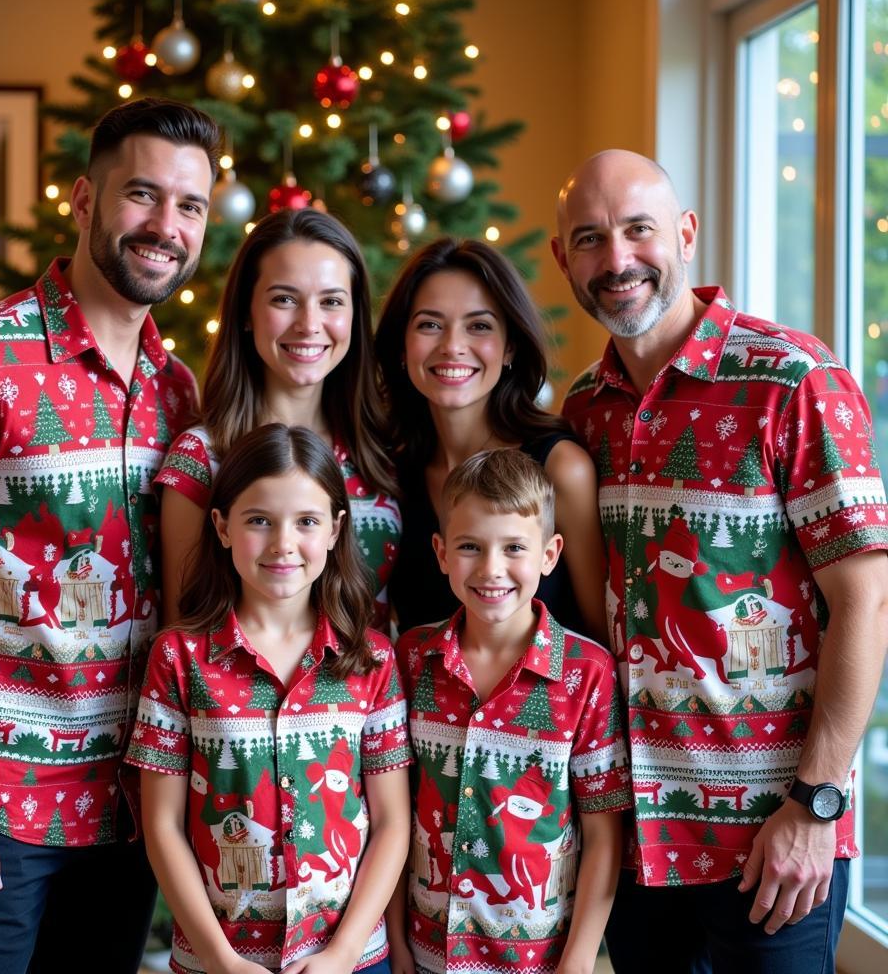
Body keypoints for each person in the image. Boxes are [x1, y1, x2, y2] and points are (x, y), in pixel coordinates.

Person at [0, 97, 219, 973]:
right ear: (83, 199)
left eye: (190, 206)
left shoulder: (180, 393)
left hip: (126, 812)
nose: (165, 226)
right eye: (142, 195)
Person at [553, 148, 888, 972]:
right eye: (590, 239)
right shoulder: (583, 413)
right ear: (563, 258)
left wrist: (816, 805)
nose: (617, 260)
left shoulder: (792, 380)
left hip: (772, 841)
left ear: (686, 234)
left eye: (639, 230)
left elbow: (867, 601)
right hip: (637, 840)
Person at [127, 423, 411, 974]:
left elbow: (392, 822)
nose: (283, 543)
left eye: (306, 521)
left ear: (335, 529)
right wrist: (219, 958)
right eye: (259, 520)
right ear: (222, 527)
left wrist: (343, 952)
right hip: (221, 960)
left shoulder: (371, 661)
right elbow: (162, 826)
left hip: (346, 958)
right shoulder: (179, 659)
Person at [389, 448, 630, 974]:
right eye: (470, 546)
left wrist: (579, 960)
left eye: (514, 548)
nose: (492, 569)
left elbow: (605, 835)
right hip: (426, 950)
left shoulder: (586, 673)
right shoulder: (410, 659)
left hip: (538, 960)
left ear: (549, 554)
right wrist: (394, 941)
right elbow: (389, 813)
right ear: (441, 552)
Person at [157, 208, 400, 631]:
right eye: (284, 299)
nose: (309, 324)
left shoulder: (381, 451)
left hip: (372, 692)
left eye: (331, 302)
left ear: (355, 317)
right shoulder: (201, 458)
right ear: (247, 314)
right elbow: (185, 640)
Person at [374, 238, 605, 640]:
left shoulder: (560, 468)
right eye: (429, 325)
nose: (452, 347)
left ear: (510, 345)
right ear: (401, 345)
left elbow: (599, 632)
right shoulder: (387, 473)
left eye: (478, 326)